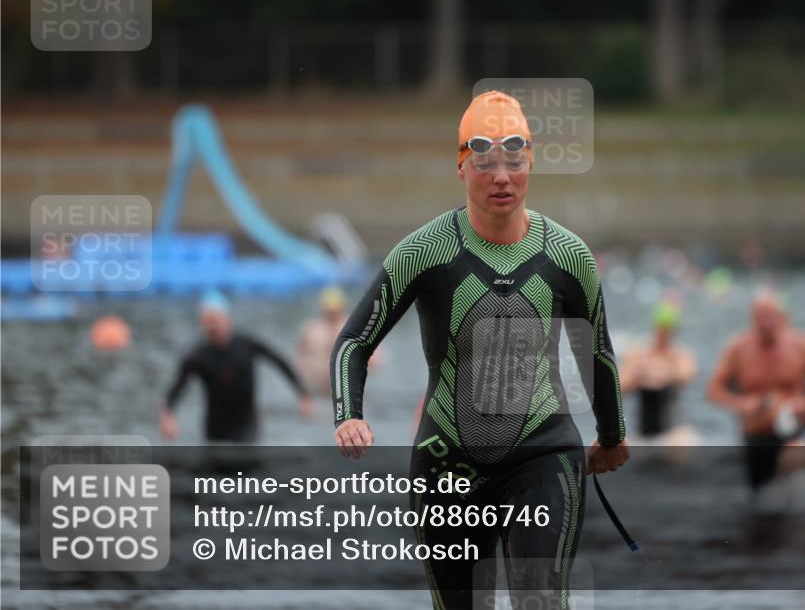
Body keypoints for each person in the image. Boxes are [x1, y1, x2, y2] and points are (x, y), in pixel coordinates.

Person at [330, 90, 629, 608]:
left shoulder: (569, 256)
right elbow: (354, 340)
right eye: (485, 164)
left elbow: (596, 353)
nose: (502, 178)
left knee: (540, 601)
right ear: (462, 168)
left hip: (544, 452)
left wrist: (612, 435)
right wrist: (347, 414)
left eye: (514, 163)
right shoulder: (425, 252)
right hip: (447, 461)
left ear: (530, 163)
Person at [707, 289, 805, 491]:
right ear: (752, 318)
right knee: (762, 500)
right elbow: (713, 391)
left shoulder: (801, 345)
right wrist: (742, 404)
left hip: (794, 430)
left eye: (770, 316)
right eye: (760, 317)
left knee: (795, 460)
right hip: (756, 435)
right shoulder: (738, 348)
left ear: (783, 316)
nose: (766, 323)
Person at [160, 290, 314, 442]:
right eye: (207, 321)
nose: (212, 327)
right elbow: (178, 387)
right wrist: (168, 415)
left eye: (215, 320)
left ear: (227, 319)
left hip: (246, 424)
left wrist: (302, 393)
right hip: (215, 427)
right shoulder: (197, 356)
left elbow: (279, 361)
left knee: (246, 461)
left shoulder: (246, 345)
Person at [620, 301, 697, 441]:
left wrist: (654, 373)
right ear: (654, 327)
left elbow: (685, 376)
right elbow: (622, 386)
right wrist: (647, 375)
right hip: (644, 432)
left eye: (668, 329)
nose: (664, 333)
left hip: (671, 432)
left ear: (674, 330)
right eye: (661, 328)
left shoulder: (680, 354)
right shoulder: (639, 354)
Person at [296, 287, 381, 395]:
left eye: (335, 311)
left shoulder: (355, 328)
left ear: (342, 309)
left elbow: (374, 359)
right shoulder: (313, 329)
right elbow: (300, 357)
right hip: (318, 384)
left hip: (348, 384)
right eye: (329, 311)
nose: (332, 314)